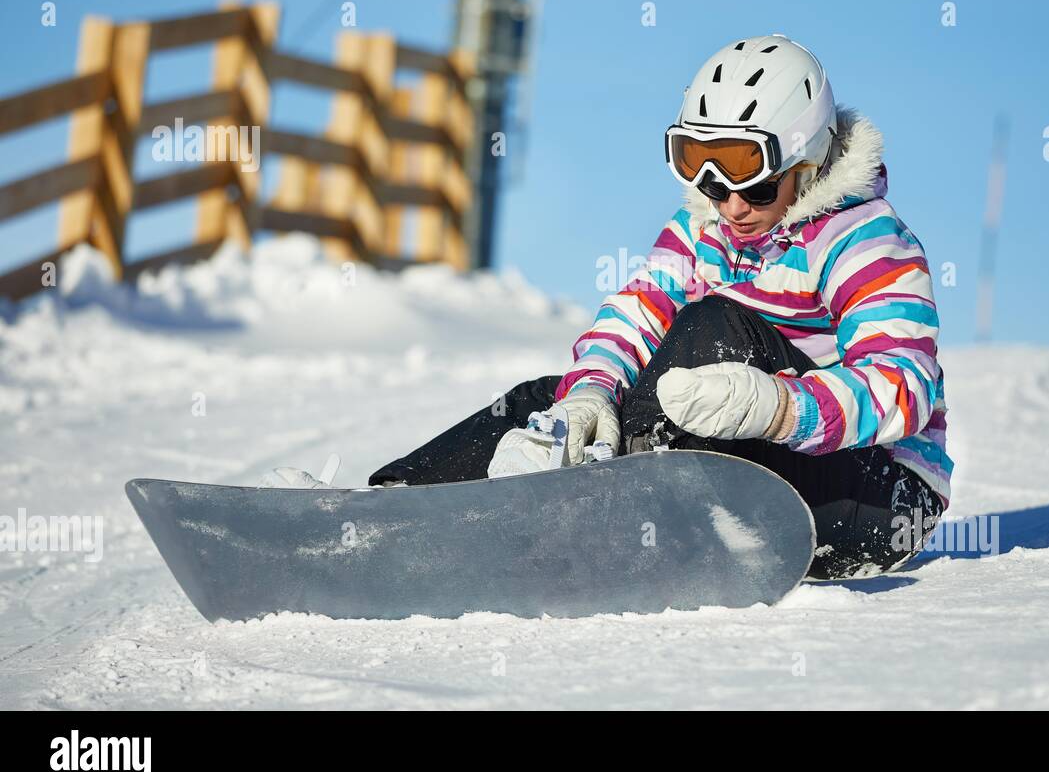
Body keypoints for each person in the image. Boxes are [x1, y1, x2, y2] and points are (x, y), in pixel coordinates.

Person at [370, 34, 953, 579]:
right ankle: (387, 516)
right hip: (746, 464)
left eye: (754, 181)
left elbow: (905, 384)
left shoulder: (865, 239)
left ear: (808, 164)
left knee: (714, 324)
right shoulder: (703, 228)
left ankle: (611, 501)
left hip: (877, 492)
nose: (730, 205)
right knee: (545, 399)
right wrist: (590, 394)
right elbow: (636, 315)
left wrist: (776, 408)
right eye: (705, 172)